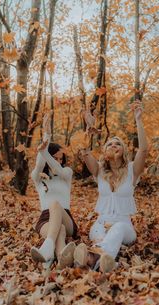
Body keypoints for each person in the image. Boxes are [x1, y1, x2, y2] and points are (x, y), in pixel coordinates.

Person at [75, 100, 148, 272]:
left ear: (123, 150)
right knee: (100, 237)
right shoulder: (99, 170)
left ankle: (90, 259)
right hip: (100, 223)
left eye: (117, 143)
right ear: (105, 151)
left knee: (118, 228)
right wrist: (89, 128)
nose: (113, 145)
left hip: (125, 227)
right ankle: (102, 261)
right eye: (109, 144)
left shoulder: (132, 170)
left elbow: (143, 150)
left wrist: (138, 119)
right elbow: (84, 151)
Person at [30, 111, 78, 269]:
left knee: (56, 205)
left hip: (66, 217)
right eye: (54, 157)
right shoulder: (38, 177)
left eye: (60, 159)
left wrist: (44, 150)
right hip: (45, 219)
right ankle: (59, 257)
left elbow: (58, 169)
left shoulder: (67, 173)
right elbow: (38, 165)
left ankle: (48, 244)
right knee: (60, 229)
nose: (58, 161)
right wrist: (46, 136)